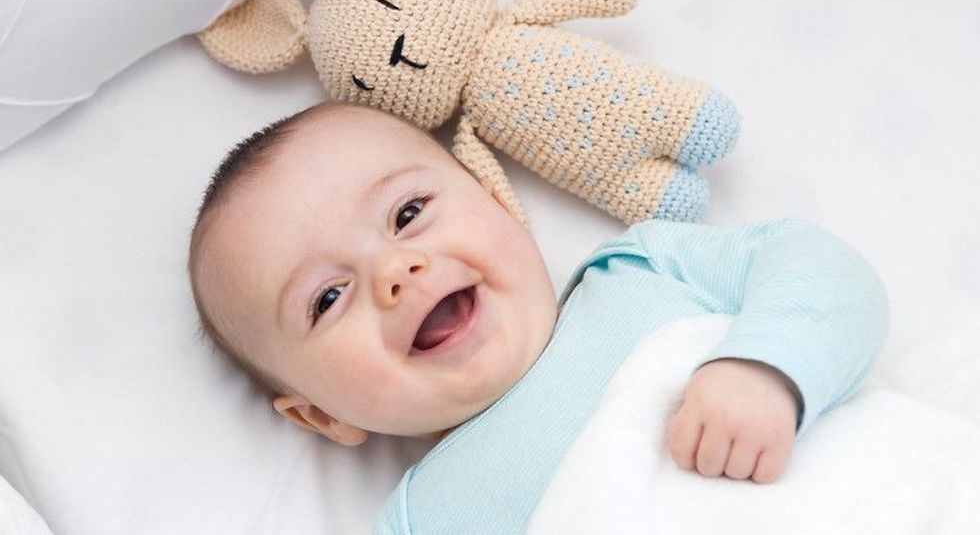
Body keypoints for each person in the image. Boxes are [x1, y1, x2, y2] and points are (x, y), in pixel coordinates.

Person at [187, 101, 887, 533]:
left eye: (407, 214)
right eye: (327, 297)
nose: (393, 273)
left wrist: (767, 367)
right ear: (320, 416)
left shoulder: (640, 269)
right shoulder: (426, 517)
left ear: (494, 194)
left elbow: (821, 266)